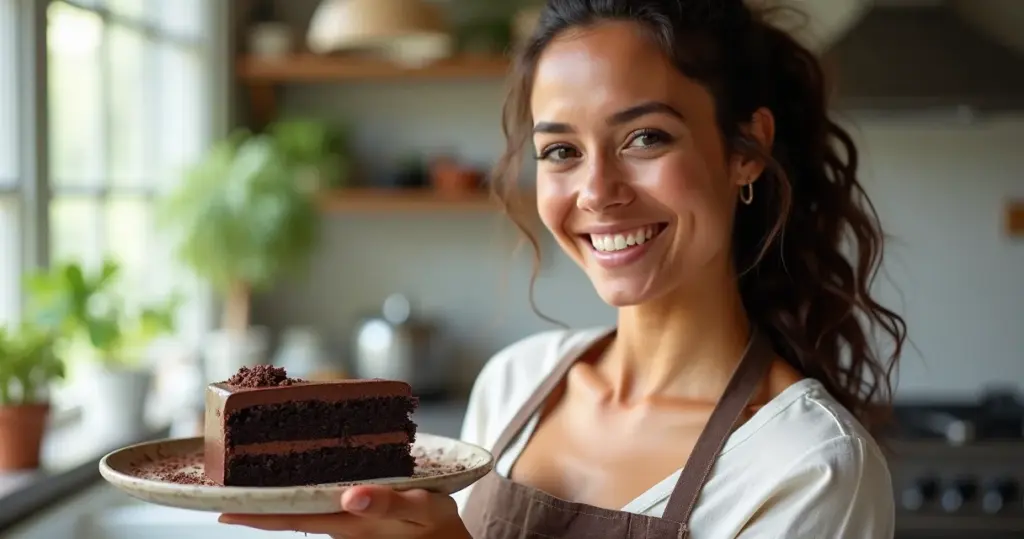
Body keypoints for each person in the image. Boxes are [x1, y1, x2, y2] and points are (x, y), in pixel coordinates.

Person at [218, 0, 907, 537]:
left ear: (747, 149)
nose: (597, 191)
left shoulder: (806, 466)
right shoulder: (514, 384)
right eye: (560, 151)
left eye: (645, 137)